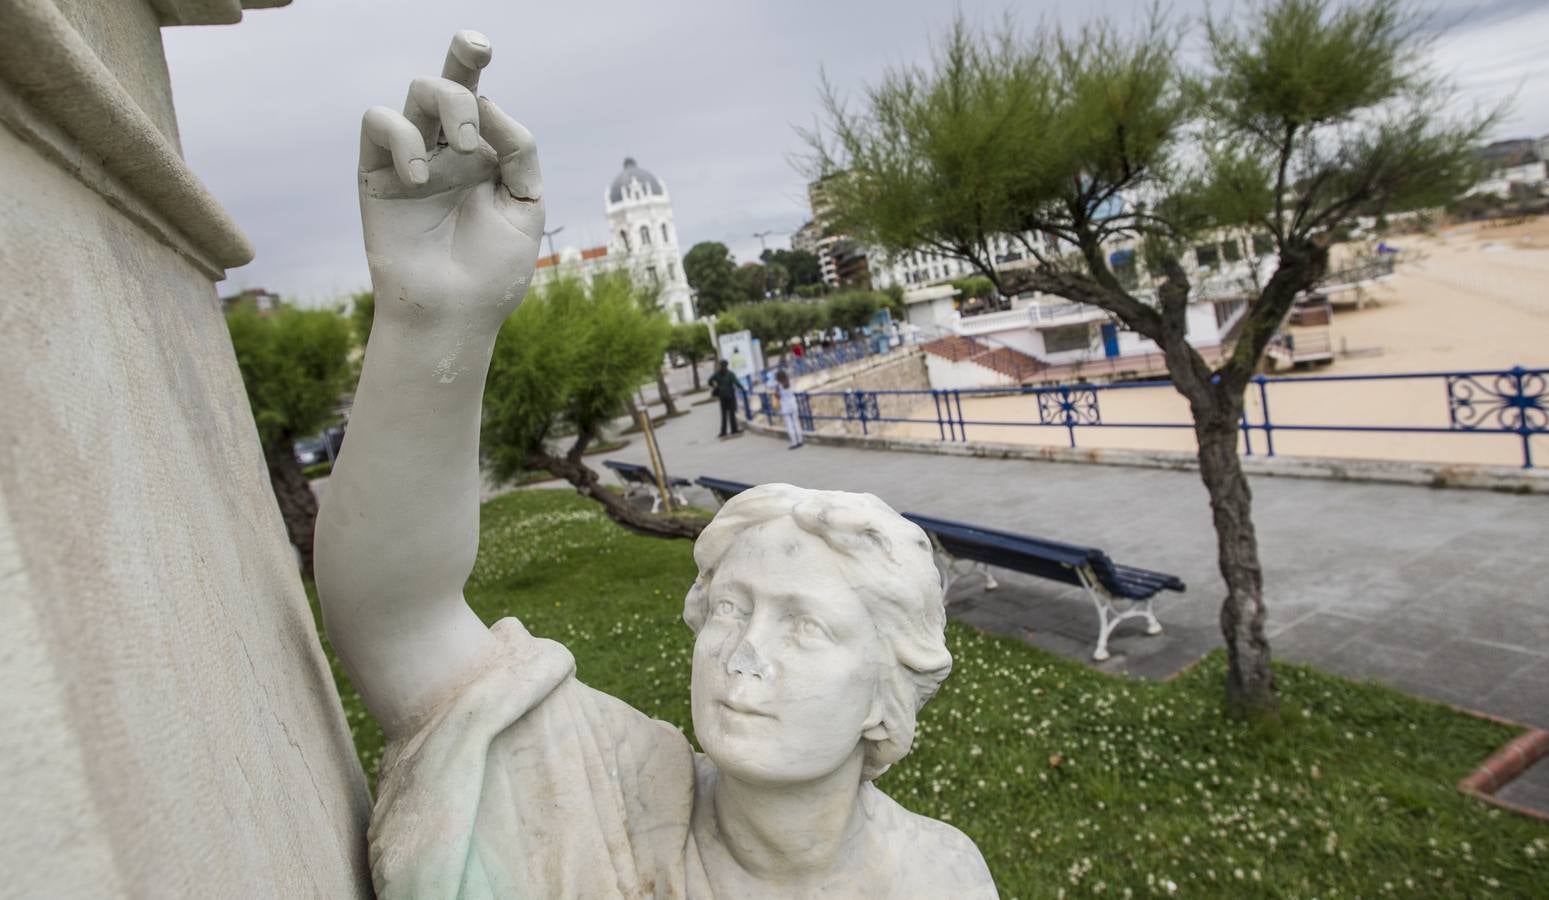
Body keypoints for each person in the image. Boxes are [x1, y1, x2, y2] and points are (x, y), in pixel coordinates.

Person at [315, 33, 995, 899]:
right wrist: (434, 319)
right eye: (729, 612)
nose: (743, 655)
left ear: (884, 700)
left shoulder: (943, 879)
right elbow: (398, 622)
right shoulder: (585, 791)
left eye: (805, 626)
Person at [708, 358, 741, 438]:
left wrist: (715, 386)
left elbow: (709, 381)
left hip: (722, 396)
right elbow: (736, 382)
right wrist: (743, 388)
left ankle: (723, 432)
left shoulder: (717, 374)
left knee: (723, 414)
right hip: (730, 395)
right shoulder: (730, 374)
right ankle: (734, 429)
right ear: (727, 365)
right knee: (732, 413)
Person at [777, 369, 803, 449]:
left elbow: (778, 396)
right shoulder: (790, 382)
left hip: (785, 407)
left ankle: (794, 442)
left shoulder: (779, 386)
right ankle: (800, 440)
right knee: (796, 423)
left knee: (790, 425)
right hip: (793, 404)